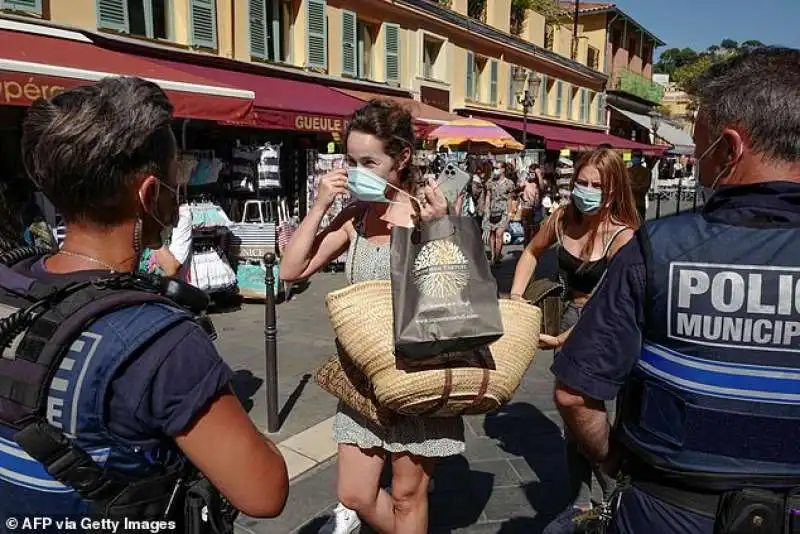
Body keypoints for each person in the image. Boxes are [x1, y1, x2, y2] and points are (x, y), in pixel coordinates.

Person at [0, 77, 288, 525]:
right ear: (150, 194)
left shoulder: (12, 285)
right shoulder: (160, 340)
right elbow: (265, 492)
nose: (181, 187)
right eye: (178, 174)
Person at [551, 47, 800, 534]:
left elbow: (575, 394)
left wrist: (617, 465)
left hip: (667, 511)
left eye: (699, 142)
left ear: (730, 148)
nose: (696, 158)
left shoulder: (658, 248)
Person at [280, 99, 461, 534]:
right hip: (362, 378)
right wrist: (321, 204)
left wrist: (440, 231)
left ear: (401, 159)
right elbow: (291, 270)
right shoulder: (355, 216)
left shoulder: (426, 213)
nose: (357, 170)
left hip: (416, 373)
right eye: (351, 160)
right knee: (356, 493)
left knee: (406, 495)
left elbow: (454, 295)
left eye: (369, 162)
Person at [508, 149, 639, 530]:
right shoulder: (564, 218)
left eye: (596, 185)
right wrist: (516, 299)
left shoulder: (623, 237)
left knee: (589, 413)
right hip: (568, 314)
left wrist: (564, 338)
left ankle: (614, 495)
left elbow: (608, 301)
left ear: (613, 190)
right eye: (581, 182)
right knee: (570, 416)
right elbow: (531, 252)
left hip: (604, 325)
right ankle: (581, 501)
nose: (586, 190)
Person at [484, 161, 516, 264]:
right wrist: (486, 209)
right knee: (492, 234)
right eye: (494, 168)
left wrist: (510, 212)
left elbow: (510, 199)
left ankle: (497, 256)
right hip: (492, 211)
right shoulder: (490, 182)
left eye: (497, 168)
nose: (495, 170)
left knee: (499, 233)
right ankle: (493, 255)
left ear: (503, 169)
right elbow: (488, 196)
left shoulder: (509, 183)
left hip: (503, 211)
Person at [519, 168, 544, 245]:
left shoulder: (539, 184)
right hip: (526, 209)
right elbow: (520, 186)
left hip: (537, 210)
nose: (531, 174)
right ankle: (527, 248)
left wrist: (539, 175)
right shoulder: (527, 183)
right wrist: (525, 177)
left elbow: (542, 188)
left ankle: (534, 247)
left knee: (535, 231)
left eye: (533, 173)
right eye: (530, 173)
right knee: (527, 231)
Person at [627, 150, 652, 223]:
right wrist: (637, 186)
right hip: (630, 204)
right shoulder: (627, 171)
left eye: (637, 156)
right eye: (634, 156)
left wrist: (632, 187)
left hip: (638, 203)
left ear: (641, 158)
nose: (635, 158)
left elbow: (644, 188)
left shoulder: (646, 172)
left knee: (640, 227)